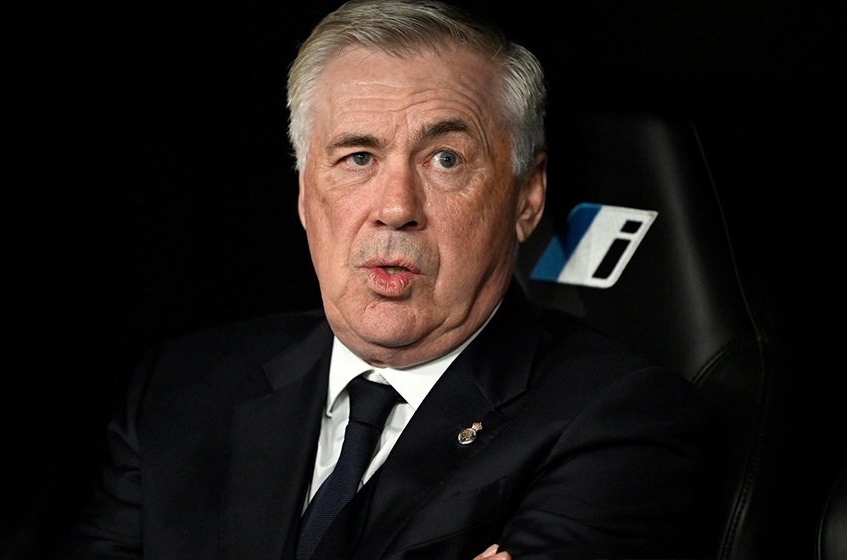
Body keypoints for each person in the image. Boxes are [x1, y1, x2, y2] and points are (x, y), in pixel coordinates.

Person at [70, 1, 709, 558]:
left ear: (527, 197)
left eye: (446, 159)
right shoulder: (182, 388)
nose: (396, 206)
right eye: (358, 157)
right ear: (304, 194)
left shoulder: (618, 420)